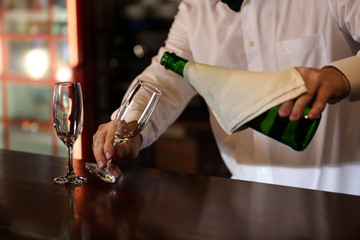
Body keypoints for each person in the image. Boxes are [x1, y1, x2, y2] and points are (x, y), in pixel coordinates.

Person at [92, 0, 360, 195]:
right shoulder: (195, 10)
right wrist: (129, 127)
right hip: (246, 199)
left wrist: (340, 75)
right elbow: (166, 76)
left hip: (340, 197)